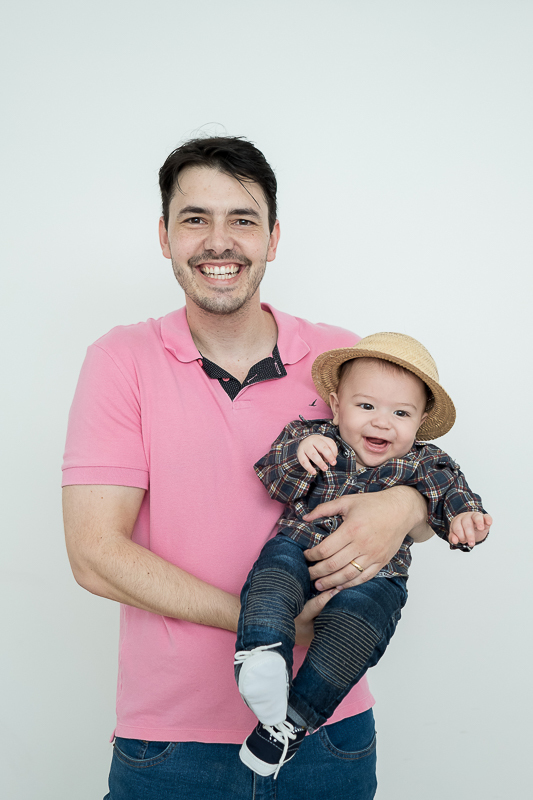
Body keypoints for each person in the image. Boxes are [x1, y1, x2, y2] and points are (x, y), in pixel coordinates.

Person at [63, 136, 437, 800]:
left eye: (241, 219)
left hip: (328, 734)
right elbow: (95, 554)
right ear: (164, 235)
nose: (219, 241)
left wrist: (406, 508)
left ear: (272, 237)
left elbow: (416, 489)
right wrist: (264, 621)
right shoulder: (120, 360)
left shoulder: (339, 358)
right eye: (194, 218)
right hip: (170, 744)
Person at [234, 332, 491, 777]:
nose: (381, 423)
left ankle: (288, 725)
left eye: (401, 413)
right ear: (335, 405)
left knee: (357, 632)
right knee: (272, 574)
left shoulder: (426, 463)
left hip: (376, 577)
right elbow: (274, 480)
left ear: (421, 419)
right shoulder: (313, 437)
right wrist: (300, 456)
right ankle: (262, 653)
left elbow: (451, 496)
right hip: (301, 544)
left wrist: (465, 518)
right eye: (366, 406)